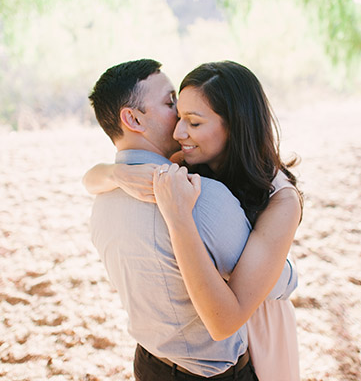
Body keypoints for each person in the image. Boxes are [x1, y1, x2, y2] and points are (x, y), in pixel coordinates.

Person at [85, 60, 302, 380]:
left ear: (234, 124)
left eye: (193, 120)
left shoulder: (109, 200)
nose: (178, 128)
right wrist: (116, 173)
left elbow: (280, 282)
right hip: (215, 353)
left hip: (240, 338)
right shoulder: (183, 177)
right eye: (171, 104)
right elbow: (228, 317)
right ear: (131, 118)